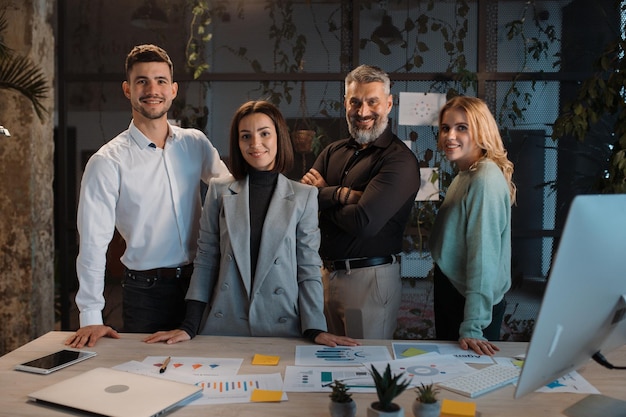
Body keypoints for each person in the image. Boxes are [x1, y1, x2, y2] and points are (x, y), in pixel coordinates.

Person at [144, 100, 359, 347]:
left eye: (264, 133)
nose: (255, 144)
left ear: (279, 137)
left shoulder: (304, 196)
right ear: (238, 142)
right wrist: (189, 326)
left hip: (284, 326)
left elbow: (308, 267)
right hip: (224, 325)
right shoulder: (218, 190)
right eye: (245, 136)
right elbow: (206, 260)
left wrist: (314, 328)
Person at [65, 44, 231, 348]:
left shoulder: (195, 143)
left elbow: (232, 192)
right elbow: (92, 244)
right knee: (145, 378)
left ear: (173, 90)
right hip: (146, 292)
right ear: (128, 89)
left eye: (160, 81)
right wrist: (91, 317)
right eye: (142, 81)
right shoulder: (107, 161)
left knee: (207, 371)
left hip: (201, 284)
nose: (152, 89)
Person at [301, 65, 421, 339]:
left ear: (389, 103)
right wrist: (344, 195)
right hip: (323, 276)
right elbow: (303, 204)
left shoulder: (399, 160)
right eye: (355, 102)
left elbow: (363, 222)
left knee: (364, 369)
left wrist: (324, 193)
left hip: (369, 279)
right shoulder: (333, 151)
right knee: (323, 364)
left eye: (372, 101)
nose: (363, 111)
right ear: (345, 104)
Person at [429, 96, 516, 356]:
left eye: (461, 128)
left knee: (467, 383)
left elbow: (484, 257)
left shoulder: (484, 179)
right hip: (455, 292)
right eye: (445, 128)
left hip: (470, 303)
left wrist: (473, 326)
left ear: (480, 131)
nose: (450, 136)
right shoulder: (467, 174)